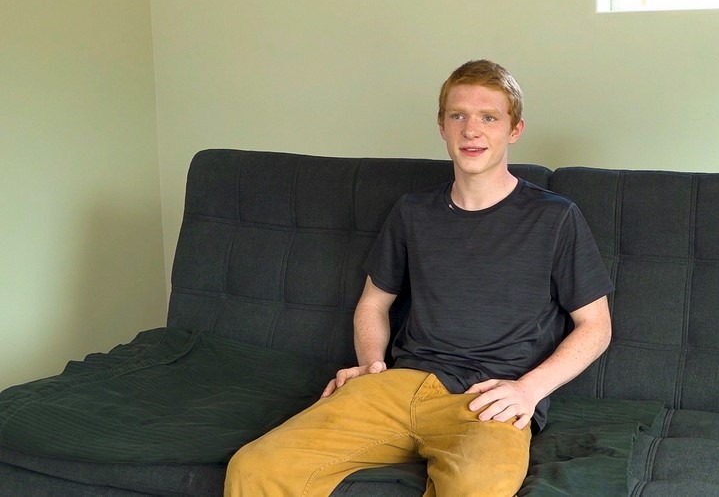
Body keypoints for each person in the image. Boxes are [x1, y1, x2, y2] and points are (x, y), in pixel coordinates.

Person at [224, 59, 613, 497]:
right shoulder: (413, 211)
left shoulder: (555, 217)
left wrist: (529, 390)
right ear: (442, 126)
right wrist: (371, 364)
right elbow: (373, 303)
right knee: (254, 468)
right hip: (398, 386)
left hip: (489, 400)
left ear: (514, 130)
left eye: (489, 118)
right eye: (458, 116)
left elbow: (596, 326)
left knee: (477, 489)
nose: (471, 130)